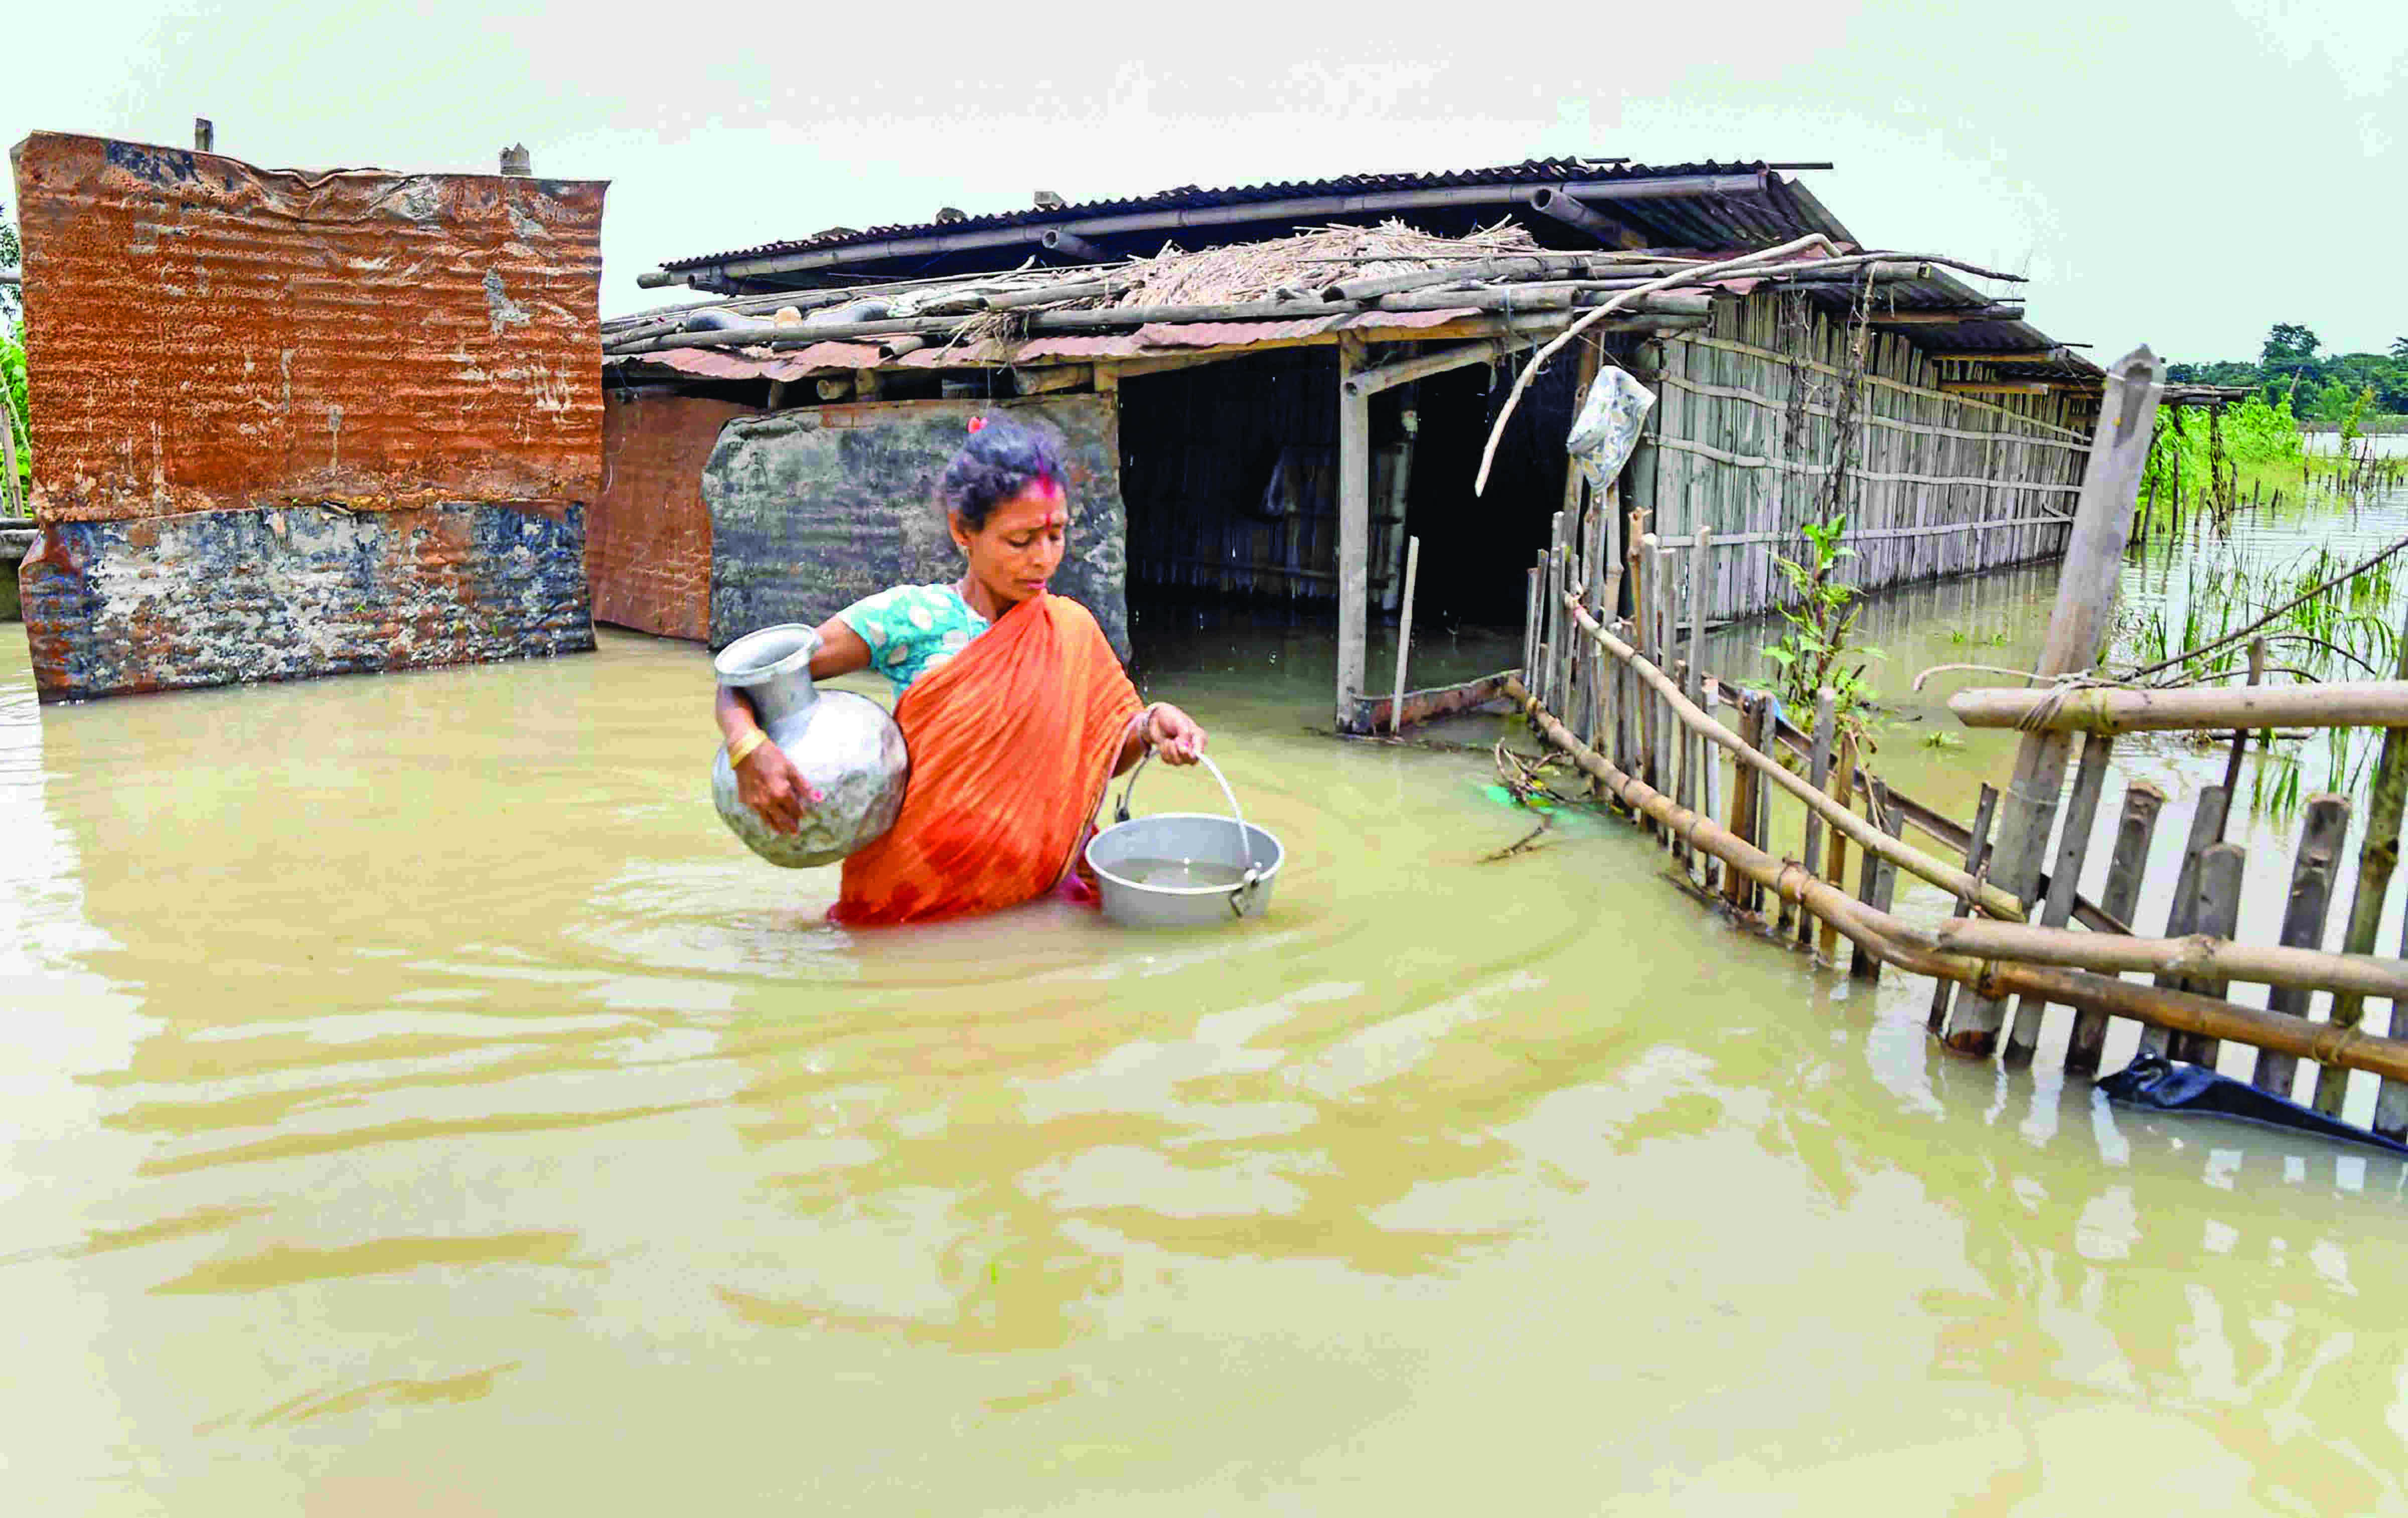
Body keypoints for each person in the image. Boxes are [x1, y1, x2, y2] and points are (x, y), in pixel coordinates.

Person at [712, 416, 1209, 926]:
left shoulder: (1072, 629)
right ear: (962, 530)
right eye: (1021, 541)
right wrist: (748, 748)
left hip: (1036, 903)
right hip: (908, 906)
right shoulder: (909, 618)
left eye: (1056, 535)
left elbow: (1100, 756)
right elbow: (742, 683)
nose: (1044, 559)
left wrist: (1149, 728)